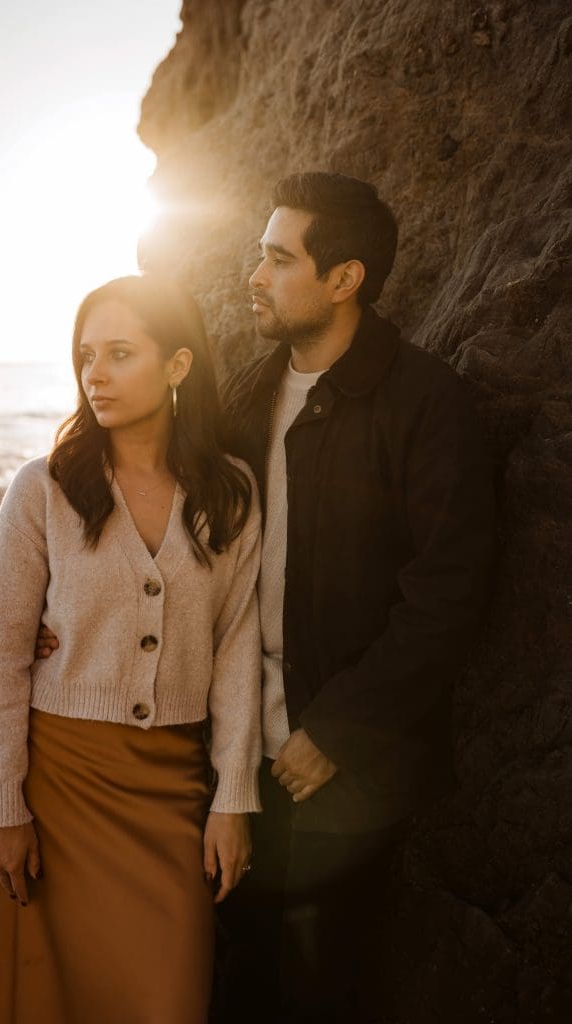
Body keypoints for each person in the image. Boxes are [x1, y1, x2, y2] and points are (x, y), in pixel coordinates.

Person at [36, 171, 495, 1022]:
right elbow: (164, 533)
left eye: (280, 260)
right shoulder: (243, 398)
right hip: (230, 745)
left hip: (346, 761)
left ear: (343, 278)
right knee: (238, 969)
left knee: (323, 983)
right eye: (259, 254)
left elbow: (448, 590)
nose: (254, 276)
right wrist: (60, 620)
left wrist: (341, 729)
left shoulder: (423, 402)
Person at [0, 274, 263, 1024]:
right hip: (59, 787)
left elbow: (236, 649)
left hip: (172, 789)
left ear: (177, 365)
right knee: (53, 1000)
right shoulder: (43, 489)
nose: (95, 374)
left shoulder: (230, 493)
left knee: (170, 1000)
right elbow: (2, 657)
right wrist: (0, 806)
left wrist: (232, 798)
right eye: (86, 355)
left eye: (121, 353)